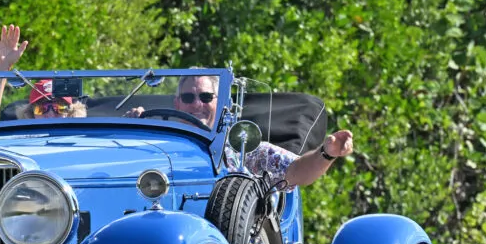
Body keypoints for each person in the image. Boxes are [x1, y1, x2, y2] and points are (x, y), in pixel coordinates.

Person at [126, 73, 354, 187]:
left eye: (206, 97)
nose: (196, 105)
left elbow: (297, 171)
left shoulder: (243, 149)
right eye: (188, 97)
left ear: (221, 104)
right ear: (177, 104)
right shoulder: (154, 147)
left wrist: (327, 153)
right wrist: (131, 133)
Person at [0, 25, 86, 124]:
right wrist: (3, 66)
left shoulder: (79, 139)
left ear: (71, 113)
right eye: (42, 109)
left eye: (60, 108)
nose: (51, 115)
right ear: (31, 114)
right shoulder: (23, 138)